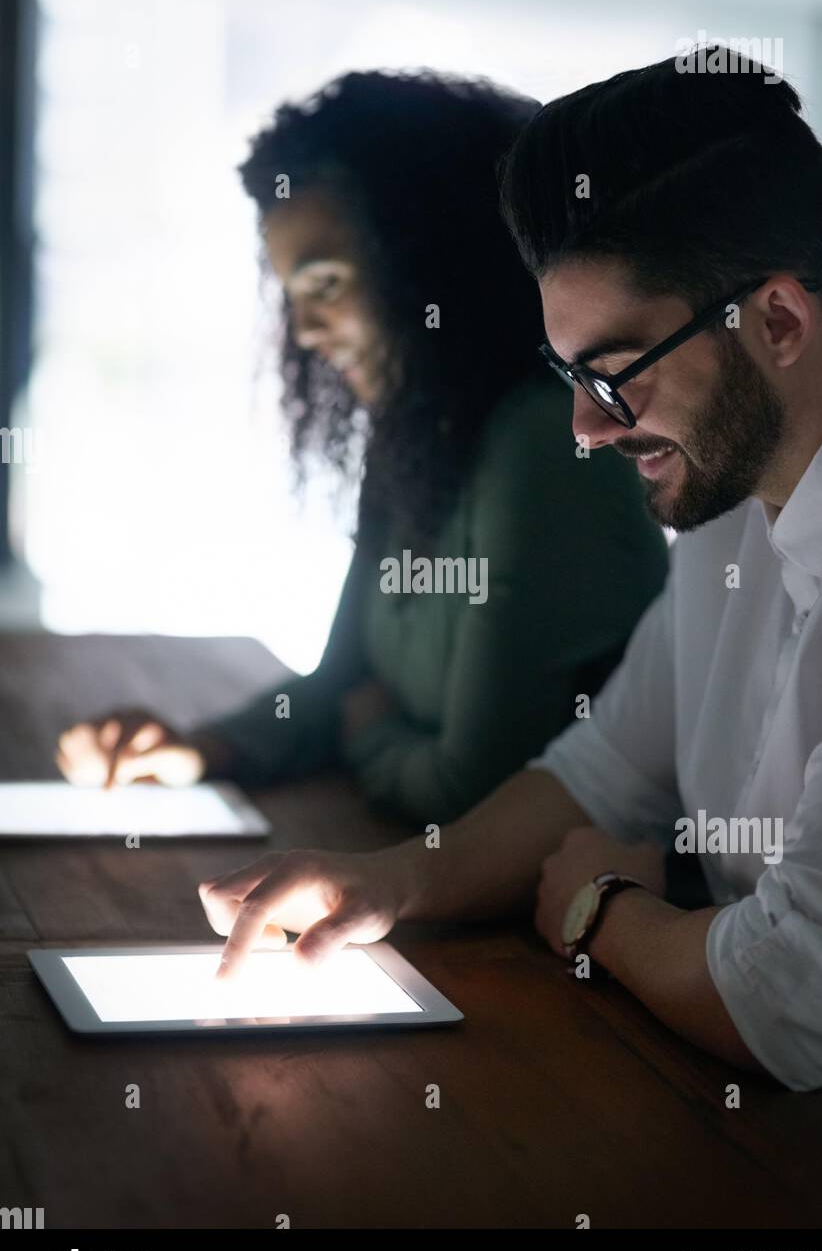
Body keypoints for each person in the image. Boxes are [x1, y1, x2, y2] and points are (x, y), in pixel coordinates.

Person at [199, 50, 822, 1093]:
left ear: (778, 321)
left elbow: (788, 997)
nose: (585, 427)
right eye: (568, 374)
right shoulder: (728, 511)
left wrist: (599, 907)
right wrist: (385, 884)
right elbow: (597, 771)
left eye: (614, 371)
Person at [56, 71, 668, 825]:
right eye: (292, 296)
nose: (306, 332)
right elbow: (338, 682)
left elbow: (470, 794)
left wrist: (370, 730)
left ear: (432, 259)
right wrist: (198, 748)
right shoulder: (417, 437)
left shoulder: (545, 447)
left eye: (326, 283)